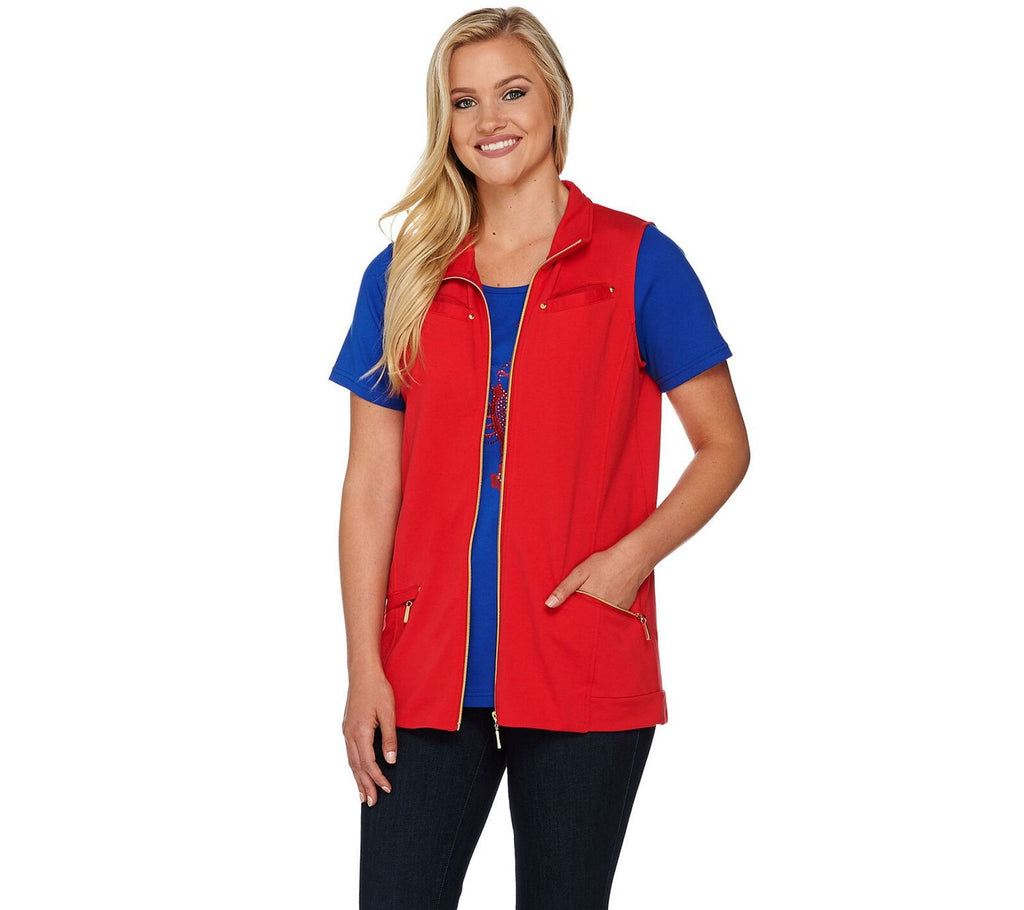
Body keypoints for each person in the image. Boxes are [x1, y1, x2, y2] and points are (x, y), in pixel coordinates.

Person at [328, 7, 750, 908]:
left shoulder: (639, 260)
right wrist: (365, 666)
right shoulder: (402, 274)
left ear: (555, 99)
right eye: (464, 101)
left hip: (581, 653)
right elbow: (370, 485)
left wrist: (627, 563)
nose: (490, 119)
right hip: (423, 673)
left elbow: (723, 447)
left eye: (512, 92)